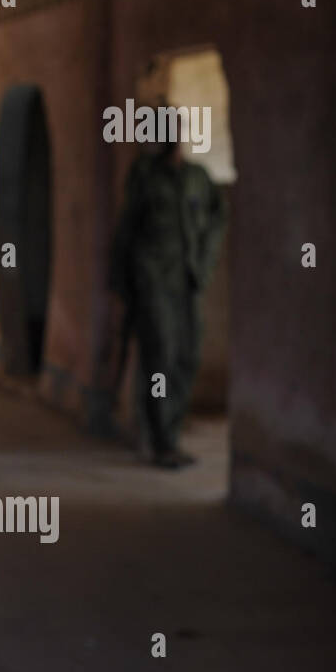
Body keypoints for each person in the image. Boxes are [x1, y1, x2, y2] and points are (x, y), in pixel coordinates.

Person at [108, 113, 227, 469]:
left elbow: (219, 217)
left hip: (188, 283)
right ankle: (161, 440)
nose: (173, 137)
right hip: (154, 282)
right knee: (159, 357)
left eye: (177, 129)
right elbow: (126, 231)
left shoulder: (197, 178)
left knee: (187, 358)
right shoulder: (145, 176)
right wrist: (122, 285)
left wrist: (204, 263)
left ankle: (170, 430)